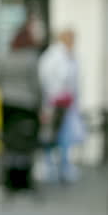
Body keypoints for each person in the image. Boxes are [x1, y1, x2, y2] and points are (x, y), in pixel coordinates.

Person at [0, 21, 43, 192]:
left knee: (9, 142)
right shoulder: (32, 58)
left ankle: (9, 179)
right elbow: (36, 85)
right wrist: (41, 104)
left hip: (7, 104)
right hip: (27, 105)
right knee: (25, 143)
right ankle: (23, 180)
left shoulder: (6, 56)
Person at [38, 28, 85, 183]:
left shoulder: (70, 56)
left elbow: (74, 82)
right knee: (51, 135)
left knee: (64, 137)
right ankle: (49, 167)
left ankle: (63, 168)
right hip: (54, 103)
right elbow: (47, 79)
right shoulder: (53, 56)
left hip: (67, 104)